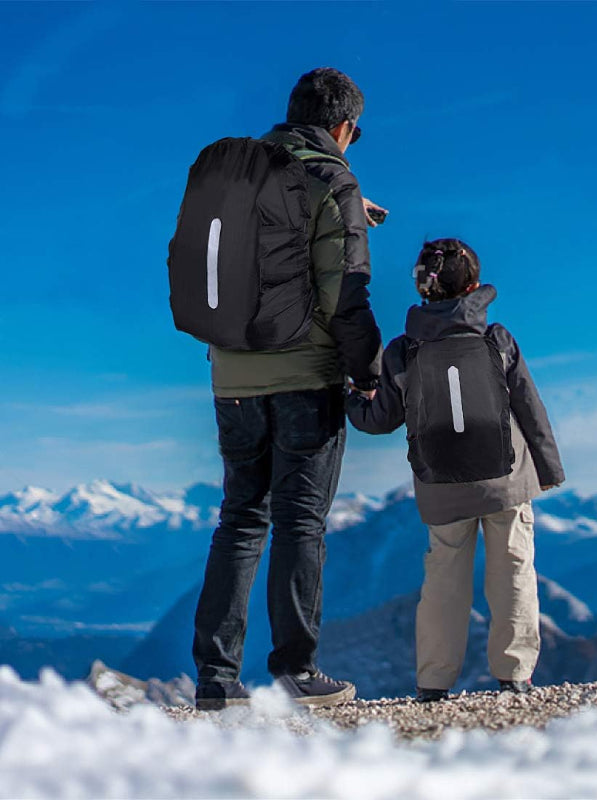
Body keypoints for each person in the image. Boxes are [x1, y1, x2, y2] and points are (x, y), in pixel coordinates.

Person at [192, 68, 384, 710]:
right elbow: (345, 294)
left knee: (239, 522)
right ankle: (295, 671)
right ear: (344, 128)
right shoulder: (335, 181)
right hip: (304, 375)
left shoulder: (233, 175)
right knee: (300, 522)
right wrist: (367, 369)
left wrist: (355, 207)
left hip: (233, 376)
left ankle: (217, 681)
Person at [346, 239, 565, 701]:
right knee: (512, 569)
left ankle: (433, 682)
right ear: (472, 285)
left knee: (444, 581)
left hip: (440, 484)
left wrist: (349, 398)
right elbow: (530, 408)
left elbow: (380, 420)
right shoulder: (497, 340)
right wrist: (548, 469)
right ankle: (514, 674)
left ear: (423, 288)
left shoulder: (403, 351)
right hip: (506, 479)